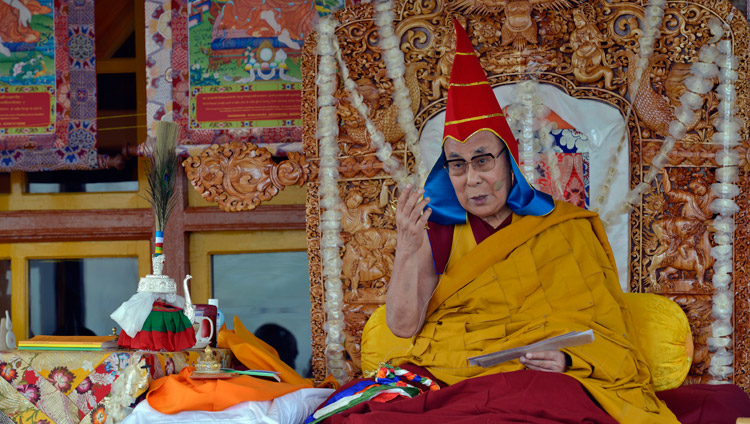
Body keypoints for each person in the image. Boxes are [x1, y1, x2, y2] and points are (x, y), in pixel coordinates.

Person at [382, 19, 678, 423]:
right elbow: (403, 327)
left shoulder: (566, 228)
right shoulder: (439, 229)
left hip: (538, 378)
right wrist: (406, 248)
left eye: (483, 160)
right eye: (457, 165)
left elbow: (608, 331)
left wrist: (569, 358)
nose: (472, 179)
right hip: (456, 377)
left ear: (510, 161)